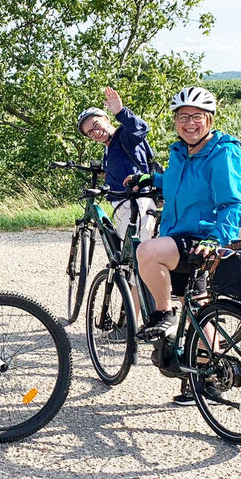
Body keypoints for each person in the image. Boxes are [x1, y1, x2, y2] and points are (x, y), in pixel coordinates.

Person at [125, 86, 241, 405]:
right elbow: (177, 181)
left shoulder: (223, 151)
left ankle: (162, 313)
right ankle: (205, 379)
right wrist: (151, 180)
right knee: (199, 307)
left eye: (196, 116)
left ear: (209, 119)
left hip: (203, 238)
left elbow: (235, 203)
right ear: (176, 121)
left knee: (147, 252)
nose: (189, 123)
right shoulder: (180, 152)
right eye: (183, 117)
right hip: (182, 235)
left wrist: (216, 238)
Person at [77, 86, 158, 320]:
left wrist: (121, 111)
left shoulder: (123, 135)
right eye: (90, 133)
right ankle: (131, 319)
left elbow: (140, 128)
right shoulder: (109, 148)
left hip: (137, 205)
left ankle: (140, 319)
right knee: (134, 262)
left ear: (105, 118)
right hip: (126, 205)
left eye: (96, 125)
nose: (95, 132)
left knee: (138, 261)